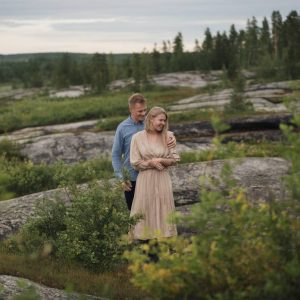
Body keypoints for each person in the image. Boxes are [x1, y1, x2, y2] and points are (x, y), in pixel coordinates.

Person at [112, 93, 176, 210]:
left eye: (145, 110)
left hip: (153, 177)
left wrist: (172, 138)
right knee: (136, 218)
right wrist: (121, 178)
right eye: (140, 111)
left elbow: (164, 133)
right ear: (130, 109)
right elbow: (115, 155)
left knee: (154, 214)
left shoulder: (152, 123)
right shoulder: (122, 128)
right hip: (132, 180)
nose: (143, 114)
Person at [129, 107, 179, 240]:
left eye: (165, 121)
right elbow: (134, 162)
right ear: (151, 119)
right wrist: (150, 163)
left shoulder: (168, 136)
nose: (163, 123)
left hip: (162, 178)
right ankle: (147, 249)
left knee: (164, 210)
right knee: (145, 210)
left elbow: (175, 160)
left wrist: (161, 160)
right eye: (160, 120)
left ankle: (165, 248)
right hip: (145, 179)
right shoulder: (137, 138)